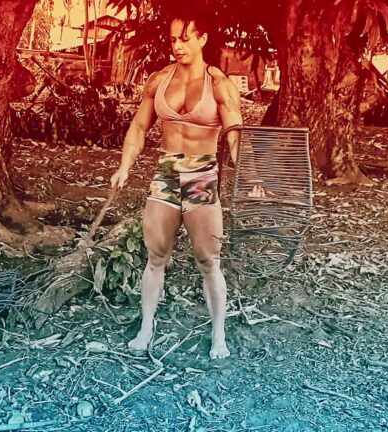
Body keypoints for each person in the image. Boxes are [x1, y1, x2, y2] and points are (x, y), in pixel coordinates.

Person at [110, 5, 249, 360]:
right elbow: (139, 126)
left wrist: (248, 173)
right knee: (156, 256)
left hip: (202, 175)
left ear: (202, 39)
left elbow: (234, 133)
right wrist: (125, 166)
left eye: (185, 38)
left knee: (208, 259)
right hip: (167, 173)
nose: (177, 46)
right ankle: (146, 326)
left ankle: (218, 334)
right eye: (173, 39)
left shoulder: (219, 84)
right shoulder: (159, 80)